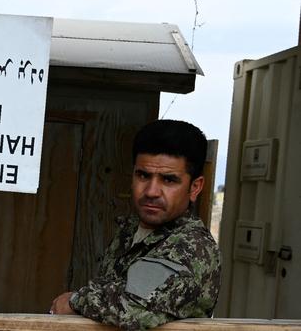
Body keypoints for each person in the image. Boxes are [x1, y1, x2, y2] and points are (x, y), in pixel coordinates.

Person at [50, 119, 221, 330]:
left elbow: (132, 307)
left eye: (168, 180)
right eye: (143, 175)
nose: (151, 191)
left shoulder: (191, 247)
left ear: (195, 187)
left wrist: (74, 301)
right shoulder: (131, 229)